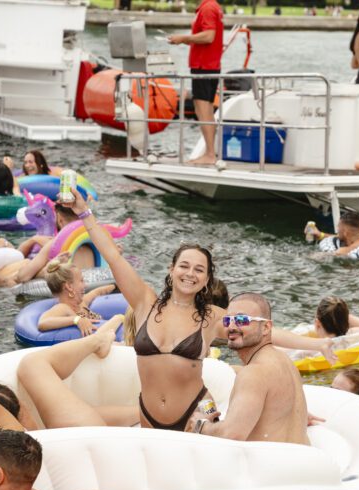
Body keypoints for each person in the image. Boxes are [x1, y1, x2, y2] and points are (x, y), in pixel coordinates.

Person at [58, 189, 336, 430]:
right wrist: (84, 213)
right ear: (172, 270)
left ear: (205, 280)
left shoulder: (212, 317)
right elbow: (111, 255)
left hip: (197, 413)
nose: (190, 274)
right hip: (148, 413)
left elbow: (260, 329)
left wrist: (317, 344)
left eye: (199, 270)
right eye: (184, 266)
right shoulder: (144, 302)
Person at [185, 292, 309, 445]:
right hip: (299, 456)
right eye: (227, 320)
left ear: (266, 328)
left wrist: (201, 425)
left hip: (269, 464)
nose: (231, 327)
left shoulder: (253, 373)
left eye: (241, 320)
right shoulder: (285, 361)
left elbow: (232, 434)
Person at [18, 318, 137, 429]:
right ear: (71, 293)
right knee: (31, 364)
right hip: (88, 435)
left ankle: (98, 341)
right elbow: (43, 323)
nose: (80, 294)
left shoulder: (68, 307)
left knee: (31, 364)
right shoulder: (67, 307)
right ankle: (98, 341)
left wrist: (78, 319)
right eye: (79, 293)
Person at [168, 0, 224, 165]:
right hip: (210, 65)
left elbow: (209, 36)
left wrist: (184, 37)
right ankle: (210, 152)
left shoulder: (207, 8)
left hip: (204, 66)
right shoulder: (212, 6)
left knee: (202, 108)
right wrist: (185, 40)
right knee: (205, 109)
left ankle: (210, 154)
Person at [0, 203, 98, 287]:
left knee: (18, 273)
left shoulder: (54, 244)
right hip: (92, 287)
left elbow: (22, 277)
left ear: (59, 218)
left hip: (58, 293)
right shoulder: (99, 240)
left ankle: (2, 281)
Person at [38, 260, 116, 336]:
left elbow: (97, 292)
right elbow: (43, 323)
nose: (86, 285)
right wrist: (76, 319)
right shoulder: (63, 308)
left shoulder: (81, 303)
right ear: (69, 287)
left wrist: (115, 286)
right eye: (81, 281)